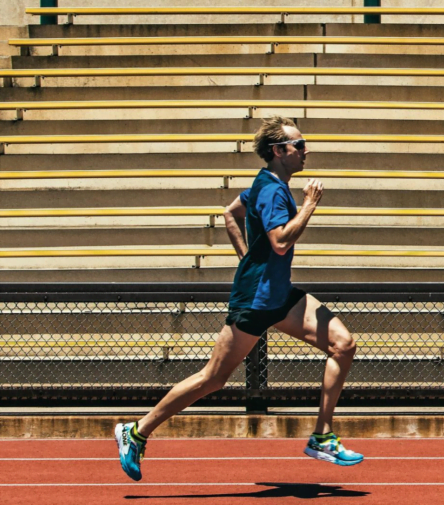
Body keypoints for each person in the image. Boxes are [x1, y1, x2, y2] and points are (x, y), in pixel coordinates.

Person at [115, 116, 362, 481]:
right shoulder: (274, 191)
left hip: (279, 295)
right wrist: (310, 205)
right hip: (256, 301)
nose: (305, 151)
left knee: (344, 344)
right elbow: (279, 242)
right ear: (279, 151)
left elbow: (231, 212)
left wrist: (248, 259)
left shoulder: (266, 183)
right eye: (299, 145)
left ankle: (323, 436)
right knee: (213, 378)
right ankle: (136, 431)